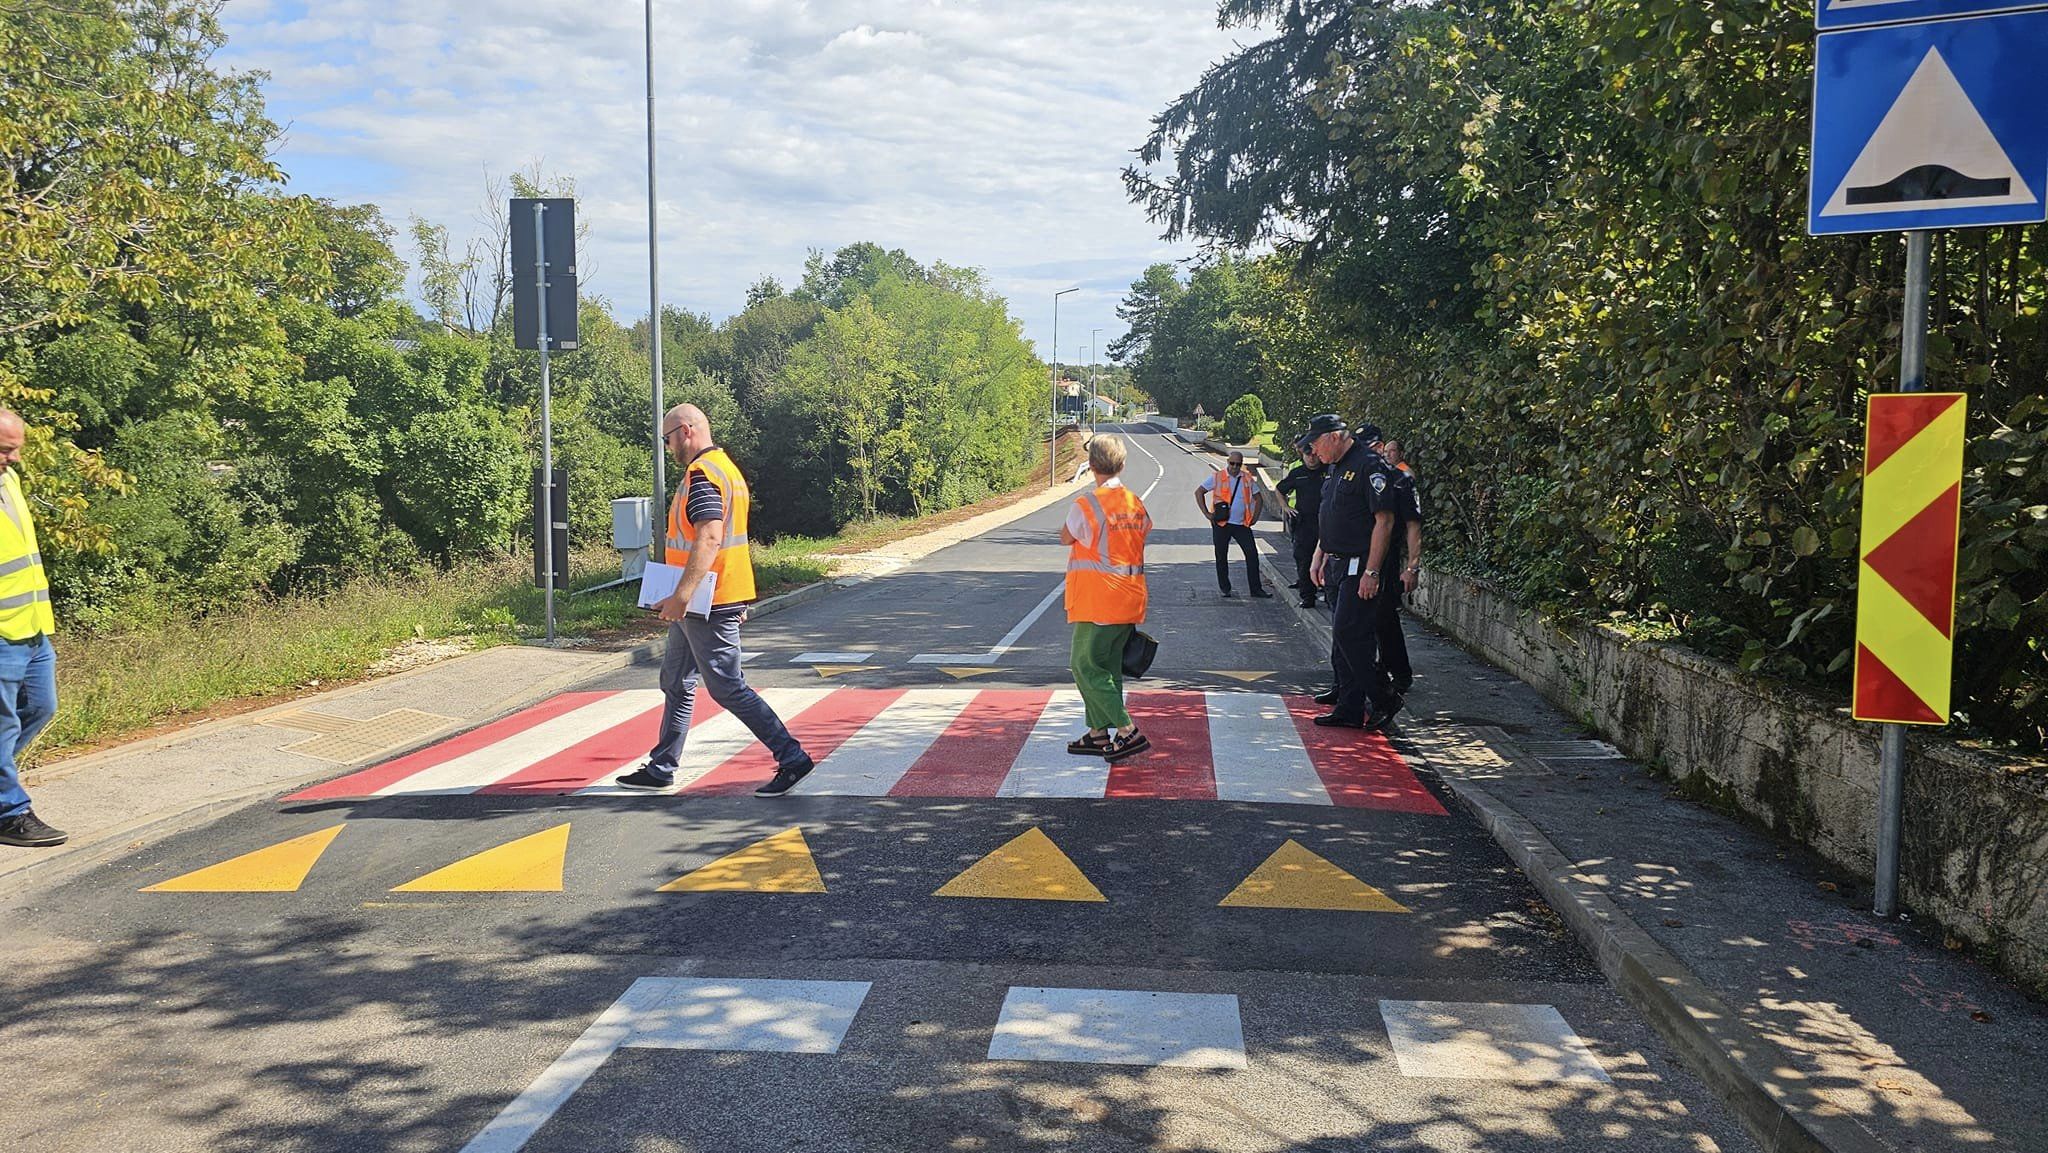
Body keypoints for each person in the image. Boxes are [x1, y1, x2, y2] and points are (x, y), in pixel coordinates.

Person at [616, 403, 814, 797]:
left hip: (706, 599)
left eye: (667, 438)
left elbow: (709, 536)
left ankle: (792, 758)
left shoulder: (703, 474)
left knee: (726, 687)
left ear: (686, 431)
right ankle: (661, 767)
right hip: (707, 597)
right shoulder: (725, 467)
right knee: (675, 680)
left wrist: (680, 596)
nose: (667, 446)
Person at [1302, 413, 1401, 732]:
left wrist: (1372, 571)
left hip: (1362, 563)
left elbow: (1384, 521)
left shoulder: (1370, 465)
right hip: (1337, 560)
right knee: (1343, 636)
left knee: (1349, 632)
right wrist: (1319, 554)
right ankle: (1349, 706)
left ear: (1333, 436)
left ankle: (1385, 697)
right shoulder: (1337, 466)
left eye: (1316, 444)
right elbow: (1331, 515)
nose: (1314, 453)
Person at [1062, 435, 1153, 761]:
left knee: (1084, 666)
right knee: (1109, 668)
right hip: (1130, 599)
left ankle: (1127, 732)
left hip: (1098, 601)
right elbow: (1143, 531)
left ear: (1090, 466)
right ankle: (1098, 733)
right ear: (1123, 464)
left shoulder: (1087, 505)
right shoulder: (1134, 502)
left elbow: (1065, 536)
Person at [0, 410, 63, 848]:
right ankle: (10, 812)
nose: (16, 457)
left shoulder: (9, 482)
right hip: (1, 635)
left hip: (33, 628)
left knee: (42, 706)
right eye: (6, 448)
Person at [1373, 435, 1423, 693]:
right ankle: (1379, 669)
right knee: (1371, 620)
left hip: (1388, 559)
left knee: (1385, 619)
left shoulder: (1403, 478)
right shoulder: (1368, 474)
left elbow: (1413, 526)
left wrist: (1412, 566)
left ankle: (1400, 672)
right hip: (1367, 557)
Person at [1194, 449, 1270, 598]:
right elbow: (1199, 492)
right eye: (1232, 463)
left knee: (1252, 555)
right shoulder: (1217, 477)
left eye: (1238, 464)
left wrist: (1255, 517)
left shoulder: (1247, 478)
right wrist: (1207, 514)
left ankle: (1256, 589)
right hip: (1222, 524)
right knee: (1221, 556)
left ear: (1241, 465)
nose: (1235, 467)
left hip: (1242, 524)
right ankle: (1225, 588)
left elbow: (1259, 498)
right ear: (1228, 462)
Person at [1275, 435, 1326, 610]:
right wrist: (1285, 508)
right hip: (1304, 524)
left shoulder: (1329, 470)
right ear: (1302, 455)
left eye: (1313, 455)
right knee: (1304, 561)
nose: (1311, 458)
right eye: (1307, 455)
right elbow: (1279, 490)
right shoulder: (1297, 473)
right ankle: (1308, 597)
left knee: (1330, 561)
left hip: (1326, 523)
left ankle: (1328, 595)